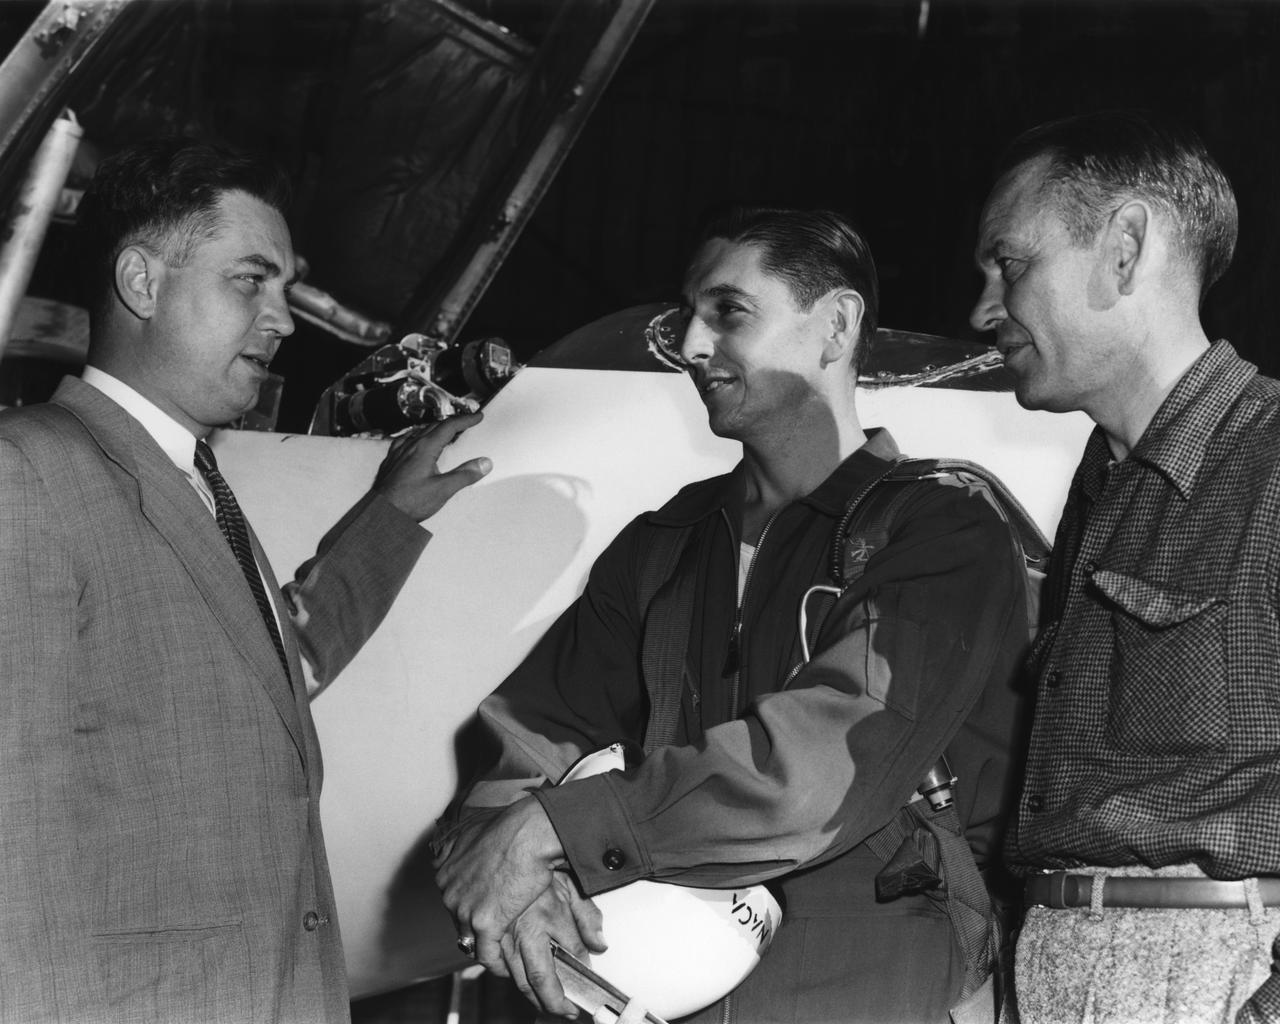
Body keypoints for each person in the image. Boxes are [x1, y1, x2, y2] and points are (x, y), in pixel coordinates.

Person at [436, 207, 1030, 1023]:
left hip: (878, 990)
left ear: (836, 327)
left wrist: (556, 829)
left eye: (728, 312)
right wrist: (508, 871)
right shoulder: (665, 545)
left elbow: (819, 770)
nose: (688, 345)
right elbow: (534, 729)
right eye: (687, 315)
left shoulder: (939, 531)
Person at [0, 138, 489, 1023]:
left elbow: (277, 670)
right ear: (142, 283)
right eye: (250, 281)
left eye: (285, 288)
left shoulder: (195, 481)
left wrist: (392, 517)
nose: (285, 319)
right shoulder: (25, 478)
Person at [969, 109, 1280, 1024]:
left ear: (1125, 248)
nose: (983, 309)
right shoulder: (1101, 492)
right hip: (1057, 971)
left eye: (1010, 264)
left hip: (1217, 976)